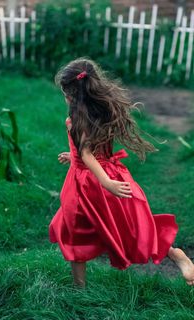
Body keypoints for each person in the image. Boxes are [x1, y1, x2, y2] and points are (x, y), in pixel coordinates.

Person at [49, 57, 194, 288]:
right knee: (128, 227)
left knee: (73, 231)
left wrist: (105, 181)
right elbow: (87, 151)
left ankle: (80, 288)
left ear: (72, 94)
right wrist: (72, 156)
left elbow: (87, 155)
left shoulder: (77, 119)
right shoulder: (100, 111)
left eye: (64, 93)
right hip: (110, 173)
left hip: (89, 183)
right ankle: (174, 254)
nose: (64, 97)